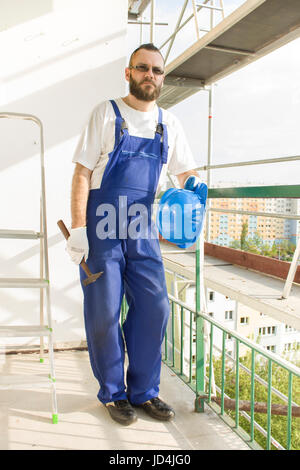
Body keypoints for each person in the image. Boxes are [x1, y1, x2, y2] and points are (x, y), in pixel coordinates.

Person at [67, 43, 202, 426]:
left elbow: (185, 173)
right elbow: (80, 173)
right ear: (128, 72)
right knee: (103, 313)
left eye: (157, 71)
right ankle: (113, 393)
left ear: (162, 77)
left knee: (155, 307)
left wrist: (194, 190)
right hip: (102, 228)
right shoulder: (105, 114)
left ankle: (144, 391)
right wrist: (78, 228)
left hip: (142, 227)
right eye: (143, 68)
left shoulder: (169, 123)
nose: (150, 75)